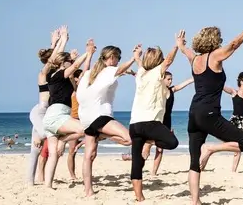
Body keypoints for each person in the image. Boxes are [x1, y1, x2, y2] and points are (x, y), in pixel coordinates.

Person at [178, 20, 243, 205]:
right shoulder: (214, 56)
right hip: (209, 114)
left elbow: (184, 50)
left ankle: (195, 201)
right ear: (214, 40)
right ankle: (212, 148)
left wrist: (180, 44)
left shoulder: (195, 58)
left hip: (193, 113)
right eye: (219, 38)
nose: (222, 41)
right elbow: (234, 44)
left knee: (194, 162)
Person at [77, 44, 138, 197]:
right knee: (129, 139)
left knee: (89, 156)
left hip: (85, 119)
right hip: (100, 116)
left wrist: (128, 71)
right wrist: (133, 59)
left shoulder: (90, 73)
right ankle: (103, 135)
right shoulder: (110, 70)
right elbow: (117, 70)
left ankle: (88, 191)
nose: (118, 62)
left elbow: (115, 73)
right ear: (111, 58)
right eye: (118, 58)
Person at [129, 36, 183, 201]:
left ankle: (139, 197)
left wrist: (137, 56)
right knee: (172, 142)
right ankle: (150, 141)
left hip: (134, 124)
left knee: (137, 161)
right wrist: (177, 45)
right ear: (158, 60)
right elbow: (169, 61)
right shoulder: (157, 72)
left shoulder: (141, 74)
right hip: (150, 122)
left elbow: (140, 64)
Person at [42, 38, 96, 189]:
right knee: (85, 128)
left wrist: (88, 55)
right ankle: (64, 140)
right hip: (57, 115)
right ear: (63, 63)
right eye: (68, 62)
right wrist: (87, 52)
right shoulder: (58, 75)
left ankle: (48, 185)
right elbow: (76, 65)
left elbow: (82, 72)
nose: (71, 64)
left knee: (54, 155)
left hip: (52, 117)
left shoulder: (62, 78)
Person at [27, 26, 67, 184]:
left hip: (47, 113)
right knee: (43, 137)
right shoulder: (43, 74)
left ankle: (30, 182)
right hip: (39, 112)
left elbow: (53, 60)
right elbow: (51, 60)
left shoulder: (56, 75)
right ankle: (32, 181)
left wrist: (54, 43)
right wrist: (61, 42)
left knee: (34, 151)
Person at [144, 72, 194, 177]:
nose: (170, 81)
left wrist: (194, 78)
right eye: (168, 79)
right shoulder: (157, 90)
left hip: (167, 121)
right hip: (157, 120)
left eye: (171, 79)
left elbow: (184, 84)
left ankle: (153, 172)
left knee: (160, 148)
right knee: (148, 146)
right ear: (162, 79)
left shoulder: (172, 90)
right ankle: (140, 165)